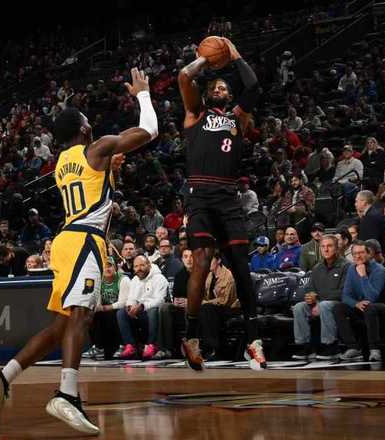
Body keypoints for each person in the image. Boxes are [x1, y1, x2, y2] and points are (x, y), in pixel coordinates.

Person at [0, 68, 157, 434]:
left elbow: (93, 186)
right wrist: (143, 94)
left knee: (62, 325)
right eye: (88, 120)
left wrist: (111, 170)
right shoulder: (97, 147)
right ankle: (67, 394)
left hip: (66, 242)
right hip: (85, 241)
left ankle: (2, 376)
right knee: (80, 317)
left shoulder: (62, 162)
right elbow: (150, 130)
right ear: (84, 128)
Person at [177, 38, 265, 370]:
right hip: (199, 194)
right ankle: (192, 336)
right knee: (201, 261)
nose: (218, 88)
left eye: (223, 86)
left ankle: (254, 340)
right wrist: (204, 58)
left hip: (228, 196)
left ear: (229, 95)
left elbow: (253, 87)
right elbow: (184, 77)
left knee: (241, 266)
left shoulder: (239, 118)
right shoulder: (195, 113)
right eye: (213, 86)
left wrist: (234, 53)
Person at [333, 240, 385, 362]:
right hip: (364, 306)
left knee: (369, 306)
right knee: (338, 308)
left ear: (369, 254)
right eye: (355, 254)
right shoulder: (352, 269)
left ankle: (374, 349)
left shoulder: (379, 270)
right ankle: (353, 347)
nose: (358, 256)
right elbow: (345, 295)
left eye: (361, 253)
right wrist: (356, 304)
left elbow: (372, 298)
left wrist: (363, 276)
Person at [292, 235, 348, 360]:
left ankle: (331, 346)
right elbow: (309, 288)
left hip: (340, 304)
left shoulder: (346, 266)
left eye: (329, 246)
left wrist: (318, 299)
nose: (326, 249)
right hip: (320, 303)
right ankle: (305, 346)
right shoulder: (317, 268)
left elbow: (344, 292)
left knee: (324, 305)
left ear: (337, 248)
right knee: (299, 307)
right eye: (323, 246)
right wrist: (310, 297)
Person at [117, 255, 168, 360]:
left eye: (142, 265)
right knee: (121, 313)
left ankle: (151, 346)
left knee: (152, 310)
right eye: (136, 266)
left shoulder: (160, 278)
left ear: (149, 265)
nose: (139, 269)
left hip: (155, 315)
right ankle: (130, 346)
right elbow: (131, 298)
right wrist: (130, 307)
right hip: (140, 314)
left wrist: (142, 306)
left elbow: (160, 300)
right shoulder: (135, 280)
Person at [86, 257, 129, 360]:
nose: (107, 269)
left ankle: (121, 346)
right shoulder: (99, 281)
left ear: (115, 267)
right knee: (91, 314)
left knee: (116, 313)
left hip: (121, 310)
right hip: (106, 311)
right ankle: (98, 347)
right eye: (104, 267)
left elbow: (124, 302)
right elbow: (97, 301)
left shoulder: (123, 279)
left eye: (109, 266)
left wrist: (106, 308)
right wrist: (97, 308)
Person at [199, 252, 240, 359]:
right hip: (213, 308)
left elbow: (225, 300)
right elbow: (204, 295)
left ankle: (213, 348)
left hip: (230, 308)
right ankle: (198, 345)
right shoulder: (209, 275)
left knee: (207, 309)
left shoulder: (228, 276)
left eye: (210, 260)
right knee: (198, 309)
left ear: (218, 260)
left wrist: (206, 302)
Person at [154, 249, 193, 360]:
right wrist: (175, 301)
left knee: (189, 309)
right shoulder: (180, 274)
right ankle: (165, 348)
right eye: (185, 256)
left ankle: (189, 344)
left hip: (195, 305)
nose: (189, 259)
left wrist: (189, 301)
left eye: (191, 256)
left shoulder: (201, 273)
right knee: (164, 307)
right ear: (182, 259)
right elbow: (176, 294)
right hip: (180, 306)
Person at [356, 190, 385, 255]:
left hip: (373, 256)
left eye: (356, 201)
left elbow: (370, 242)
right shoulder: (373, 213)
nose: (355, 204)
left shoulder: (371, 217)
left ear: (364, 202)